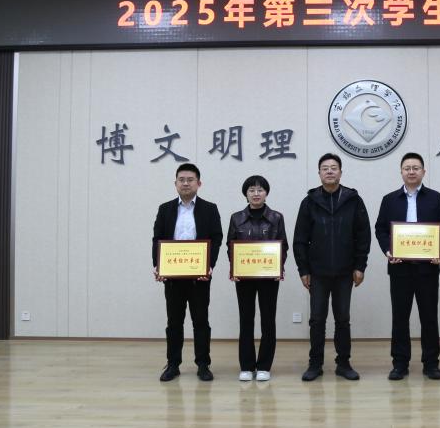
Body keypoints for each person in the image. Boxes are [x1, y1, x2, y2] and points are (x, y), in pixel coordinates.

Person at [293, 152, 371, 381]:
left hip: (345, 271)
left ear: (340, 172)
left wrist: (360, 266)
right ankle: (315, 364)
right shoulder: (309, 202)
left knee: (343, 319)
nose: (329, 171)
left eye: (333, 168)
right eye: (325, 168)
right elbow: (300, 239)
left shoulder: (353, 200)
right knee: (317, 319)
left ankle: (343, 363)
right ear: (319, 173)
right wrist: (303, 270)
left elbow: (363, 235)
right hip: (317, 272)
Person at [374, 152, 440, 380]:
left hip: (428, 268)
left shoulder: (435, 198)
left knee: (429, 316)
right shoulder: (389, 199)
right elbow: (380, 229)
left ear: (423, 171)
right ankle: (399, 363)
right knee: (400, 317)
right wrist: (389, 250)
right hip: (400, 268)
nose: (411, 171)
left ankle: (431, 364)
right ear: (401, 172)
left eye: (416, 168)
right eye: (407, 168)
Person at [152, 162, 223, 382]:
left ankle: (203, 364)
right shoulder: (165, 209)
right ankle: (173, 364)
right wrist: (158, 265)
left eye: (190, 180)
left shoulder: (209, 208)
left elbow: (216, 238)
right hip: (172, 277)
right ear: (175, 183)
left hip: (199, 277)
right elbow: (157, 239)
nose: (185, 183)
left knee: (201, 321)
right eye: (181, 180)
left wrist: (209, 266)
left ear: (199, 183)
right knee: (174, 322)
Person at [227, 175, 288, 382]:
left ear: (266, 193)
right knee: (246, 320)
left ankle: (264, 366)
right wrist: (234, 268)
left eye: (260, 190)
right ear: (245, 194)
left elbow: (283, 246)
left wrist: (278, 267)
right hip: (244, 277)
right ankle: (246, 366)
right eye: (251, 190)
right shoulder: (236, 218)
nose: (256, 194)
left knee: (268, 320)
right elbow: (231, 246)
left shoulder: (276, 217)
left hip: (269, 278)